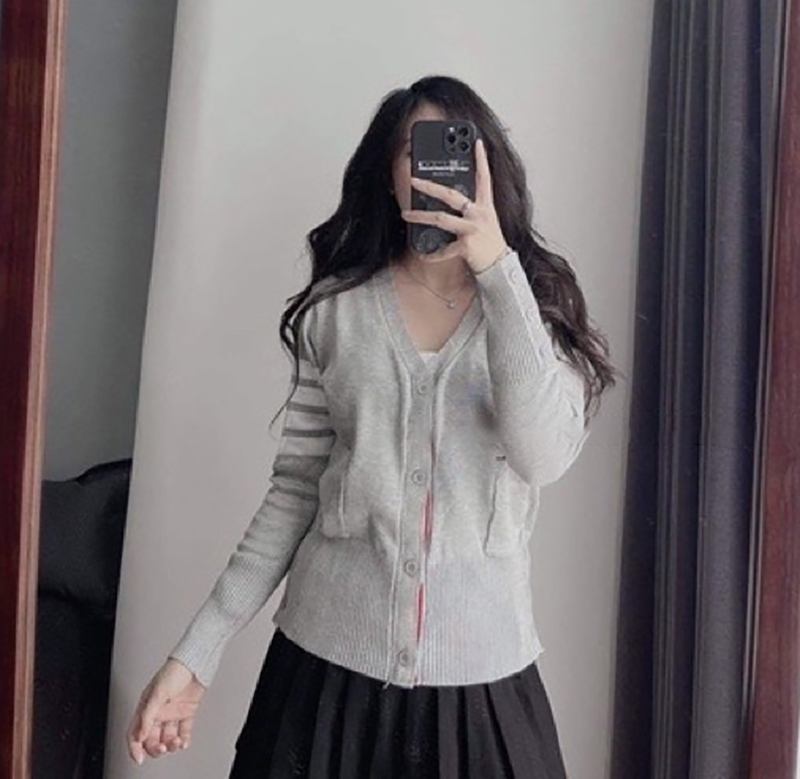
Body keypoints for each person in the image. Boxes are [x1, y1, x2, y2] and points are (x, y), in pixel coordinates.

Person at [126, 74, 617, 777]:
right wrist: (195, 655)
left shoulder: (533, 313)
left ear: (487, 170)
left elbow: (541, 456)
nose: (434, 169)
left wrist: (496, 267)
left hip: (481, 684)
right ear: (389, 175)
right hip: (324, 683)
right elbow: (295, 494)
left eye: (454, 150)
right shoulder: (337, 312)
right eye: (416, 152)